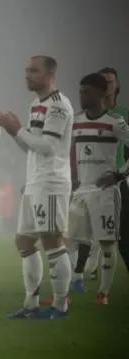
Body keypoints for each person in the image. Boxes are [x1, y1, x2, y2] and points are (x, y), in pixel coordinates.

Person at [0, 55, 74, 319]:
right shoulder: (36, 104)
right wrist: (13, 132)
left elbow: (48, 146)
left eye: (33, 70)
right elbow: (30, 145)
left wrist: (18, 129)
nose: (27, 75)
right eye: (26, 70)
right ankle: (31, 305)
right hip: (35, 181)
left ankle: (61, 305)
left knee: (52, 239)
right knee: (23, 240)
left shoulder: (59, 105)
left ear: (50, 73)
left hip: (51, 181)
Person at [59, 73, 129, 305]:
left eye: (86, 91)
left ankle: (103, 293)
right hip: (81, 192)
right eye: (80, 91)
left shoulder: (114, 122)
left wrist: (119, 174)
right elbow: (68, 152)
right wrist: (72, 176)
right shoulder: (76, 121)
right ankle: (71, 284)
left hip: (105, 193)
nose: (81, 96)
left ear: (101, 94)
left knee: (108, 243)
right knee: (65, 239)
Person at [80, 67, 129, 277]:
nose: (108, 84)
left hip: (118, 180)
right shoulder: (86, 115)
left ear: (117, 86)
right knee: (82, 233)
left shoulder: (122, 115)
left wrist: (121, 173)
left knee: (121, 236)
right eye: (105, 81)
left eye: (111, 81)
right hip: (89, 183)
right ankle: (81, 274)